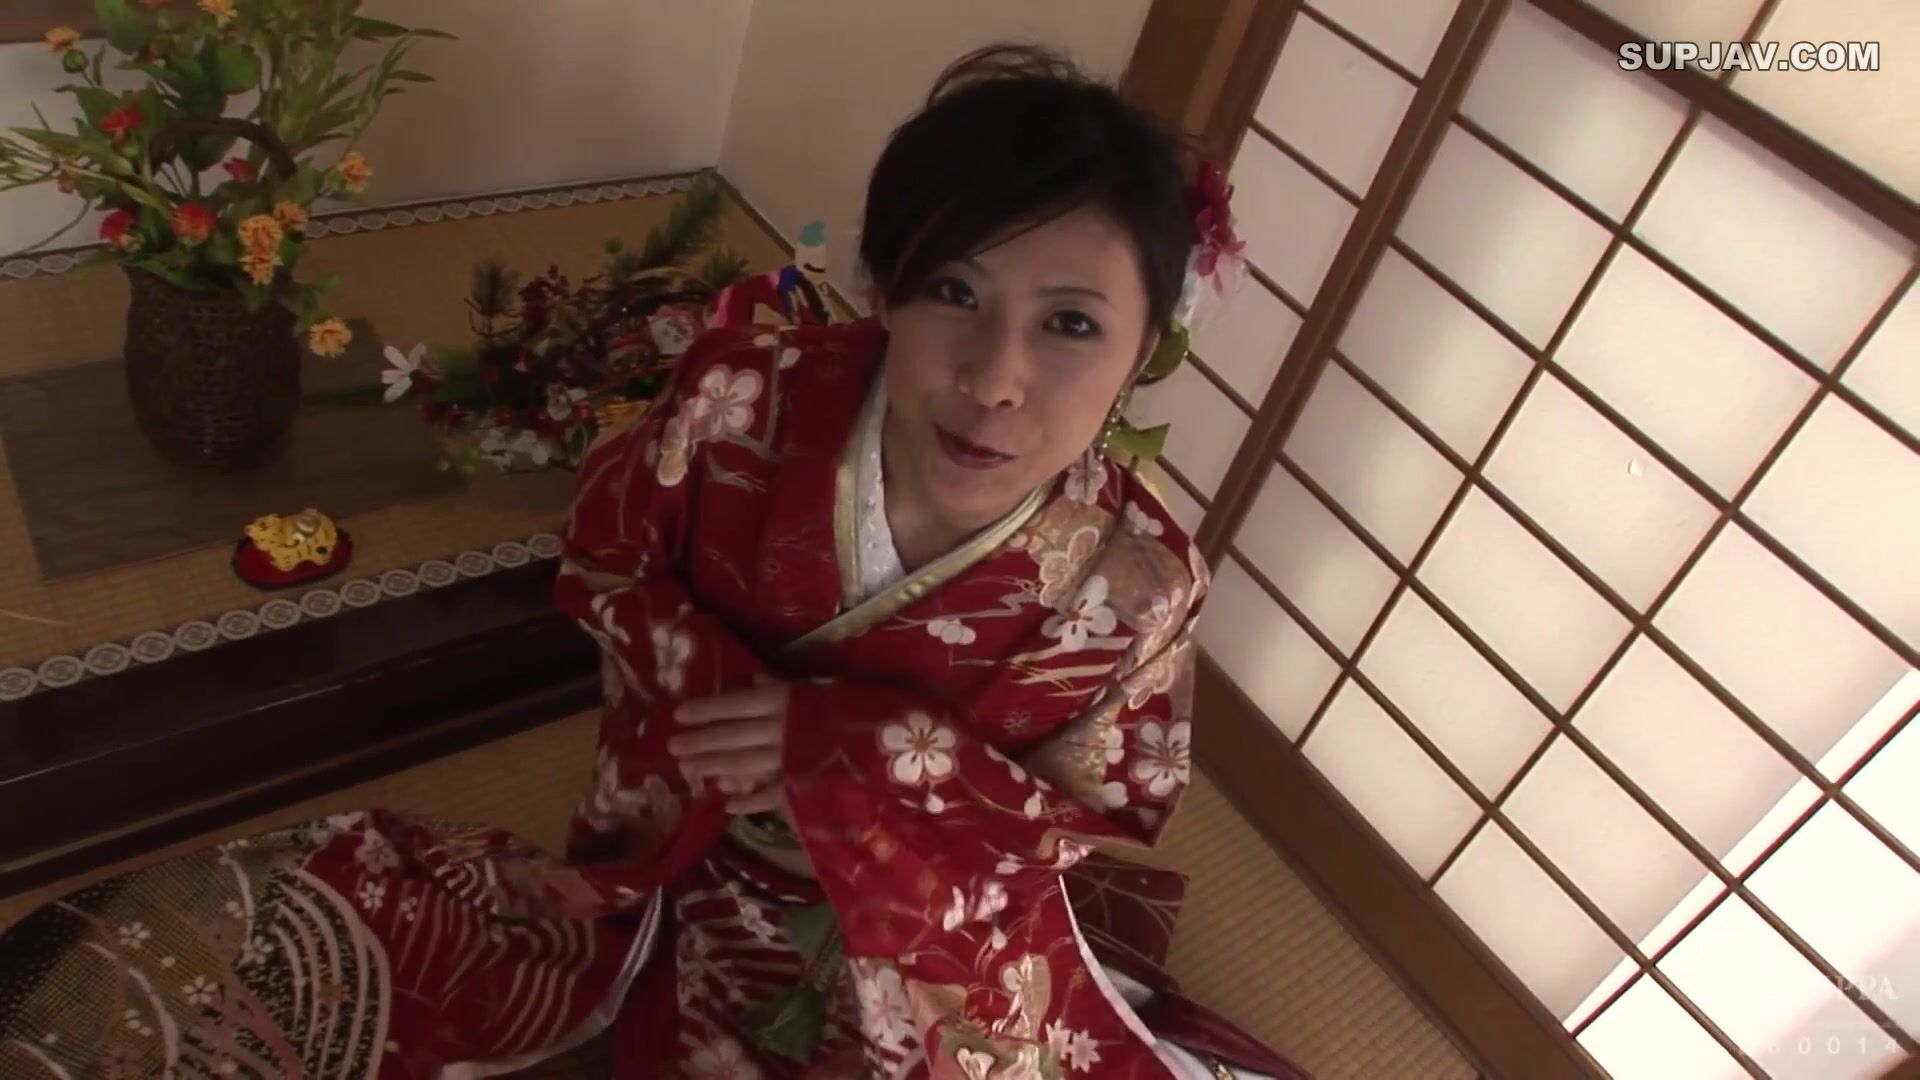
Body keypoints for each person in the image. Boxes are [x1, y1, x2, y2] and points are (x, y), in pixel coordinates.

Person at [0, 45, 1301, 1080]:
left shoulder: (1135, 581)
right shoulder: (747, 399)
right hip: (679, 856)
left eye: (1070, 324)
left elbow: (1095, 816)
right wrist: (731, 721)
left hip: (921, 931)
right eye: (954, 293)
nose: (996, 377)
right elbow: (607, 563)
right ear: (884, 285)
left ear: (1146, 348)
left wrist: (848, 750)